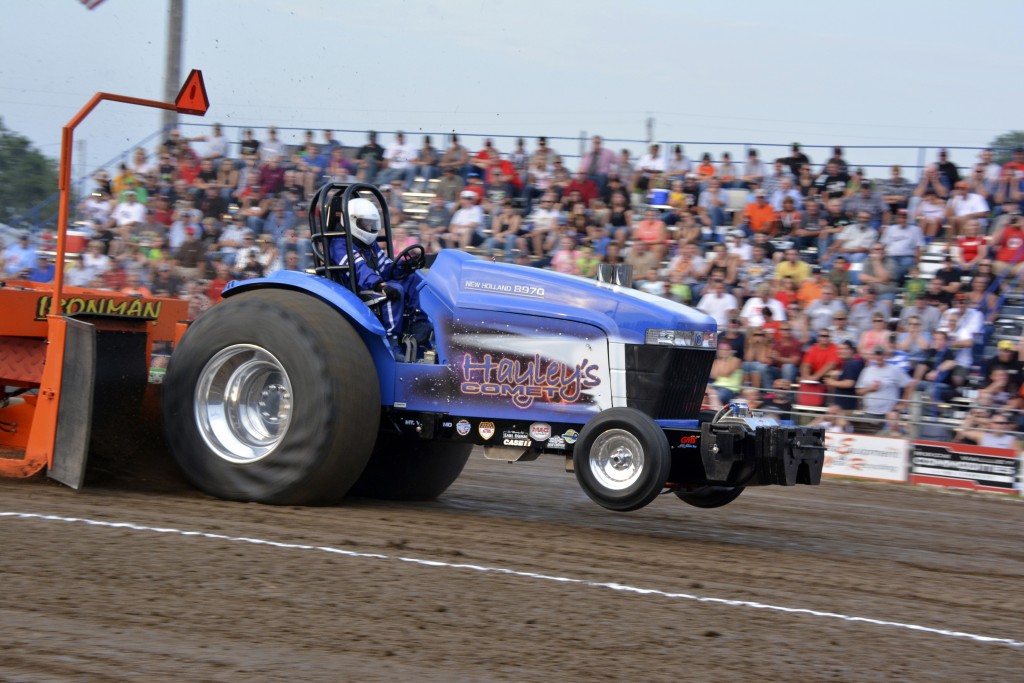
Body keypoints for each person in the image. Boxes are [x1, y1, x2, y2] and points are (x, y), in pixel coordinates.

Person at [328, 198, 422, 338]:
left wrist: (404, 266)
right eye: (365, 224)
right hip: (357, 289)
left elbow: (385, 266)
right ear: (352, 222)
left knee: (413, 278)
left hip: (374, 284)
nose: (368, 228)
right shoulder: (340, 245)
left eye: (371, 224)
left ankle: (419, 323)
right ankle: (392, 340)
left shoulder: (370, 244)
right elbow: (359, 270)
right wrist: (380, 285)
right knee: (395, 290)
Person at [855, 347, 912, 431]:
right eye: (877, 355)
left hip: (888, 414)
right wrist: (869, 388)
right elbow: (858, 391)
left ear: (885, 356)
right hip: (870, 412)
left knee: (888, 438)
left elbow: (910, 384)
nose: (879, 357)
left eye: (881, 355)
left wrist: (903, 403)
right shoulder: (867, 370)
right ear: (873, 356)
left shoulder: (894, 369)